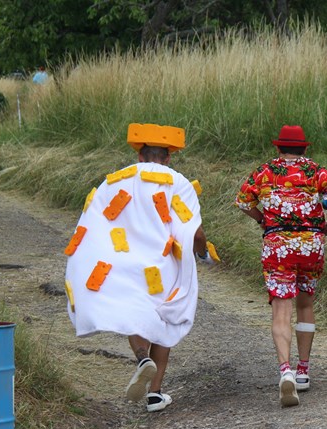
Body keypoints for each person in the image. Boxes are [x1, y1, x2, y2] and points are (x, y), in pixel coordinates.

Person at [64, 123, 218, 412]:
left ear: (140, 156)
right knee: (165, 320)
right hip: (164, 264)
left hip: (125, 262)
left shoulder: (115, 181)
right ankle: (156, 394)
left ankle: (141, 357)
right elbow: (194, 232)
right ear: (168, 157)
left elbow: (95, 220)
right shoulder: (179, 183)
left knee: (133, 312)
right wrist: (202, 254)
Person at [236, 125, 327, 407]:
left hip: (278, 245)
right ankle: (304, 371)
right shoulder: (315, 170)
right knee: (305, 304)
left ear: (278, 148)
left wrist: (262, 219)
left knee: (281, 309)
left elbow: (242, 202)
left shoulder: (264, 171)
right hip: (311, 244)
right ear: (304, 148)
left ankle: (286, 371)